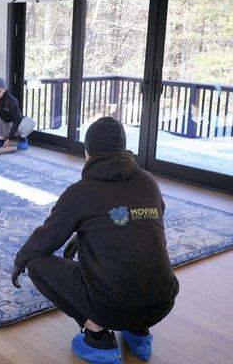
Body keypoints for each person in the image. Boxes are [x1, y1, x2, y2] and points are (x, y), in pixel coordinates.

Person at [11, 117, 179, 364]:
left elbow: (45, 240)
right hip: (162, 302)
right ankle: (138, 334)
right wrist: (85, 236)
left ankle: (97, 336)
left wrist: (19, 261)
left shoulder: (81, 192)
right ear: (123, 150)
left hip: (112, 307)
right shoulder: (148, 181)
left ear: (87, 153)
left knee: (35, 263)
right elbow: (138, 226)